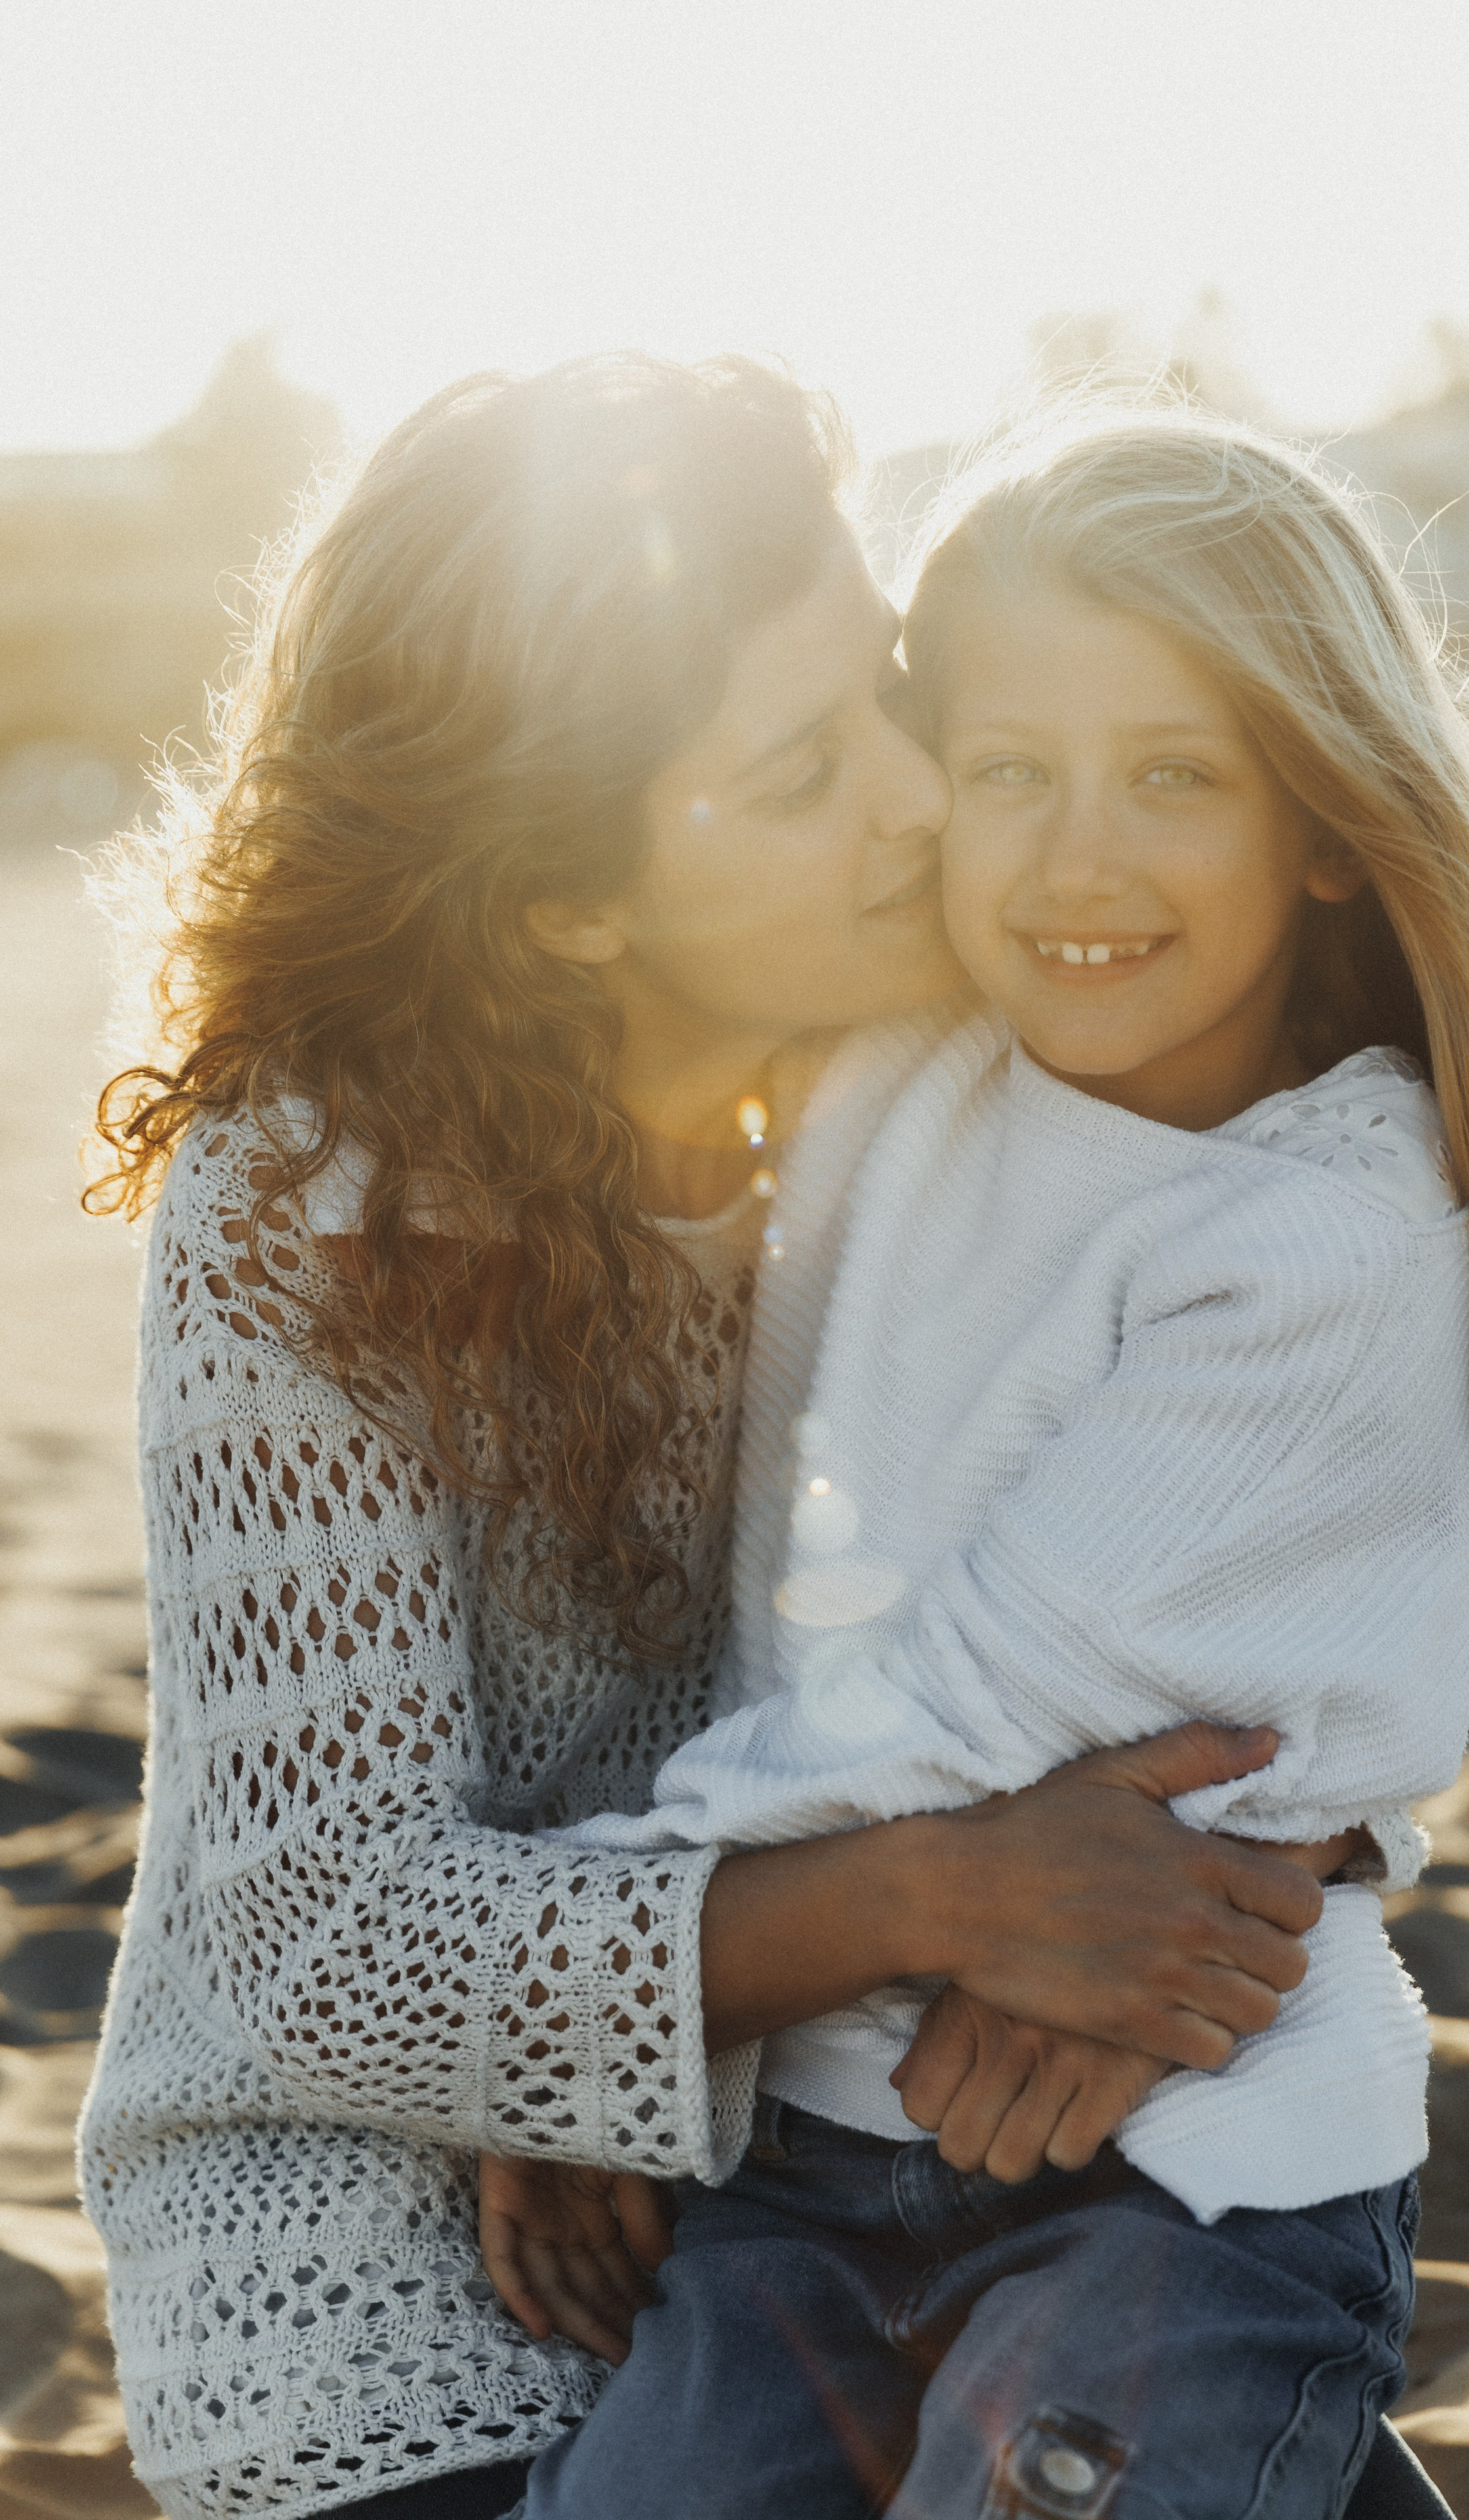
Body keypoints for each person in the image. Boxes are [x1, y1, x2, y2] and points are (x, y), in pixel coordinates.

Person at [75, 358, 1340, 2520]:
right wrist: (907, 1904)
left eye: (887, 699)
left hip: (844, 2165)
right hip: (378, 2275)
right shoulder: (315, 1199)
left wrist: (666, 2011)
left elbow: (1252, 1511)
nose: (916, 801)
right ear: (565, 899)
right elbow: (319, 1952)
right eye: (799, 772)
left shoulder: (937, 1081)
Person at [498, 412, 1469, 2519]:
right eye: (1011, 769)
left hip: (1181, 2168)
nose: (1076, 862)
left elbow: (970, 1705)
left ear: (1327, 823)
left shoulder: (1326, 1230)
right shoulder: (903, 1069)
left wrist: (592, 1991)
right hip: (805, 2167)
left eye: (1173, 776)